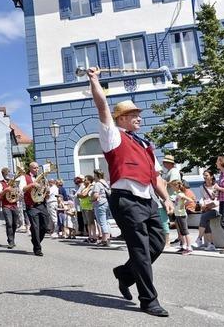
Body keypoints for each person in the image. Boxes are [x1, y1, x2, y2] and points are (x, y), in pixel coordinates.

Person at [87, 66, 173, 318]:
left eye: (138, 114)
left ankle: (124, 274)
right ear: (121, 118)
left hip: (148, 200)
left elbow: (154, 176)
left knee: (157, 244)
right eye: (133, 114)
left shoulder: (145, 144)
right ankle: (148, 300)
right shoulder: (112, 136)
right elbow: (102, 107)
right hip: (125, 200)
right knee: (140, 250)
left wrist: (166, 199)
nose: (139, 117)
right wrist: (95, 80)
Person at [21, 162, 49, 256]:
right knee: (36, 227)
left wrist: (47, 191)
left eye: (37, 168)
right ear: (30, 168)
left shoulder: (43, 177)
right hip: (32, 205)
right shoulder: (24, 177)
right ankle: (37, 248)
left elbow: (45, 189)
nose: (37, 169)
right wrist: (32, 185)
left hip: (42, 204)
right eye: (34, 168)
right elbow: (23, 189)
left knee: (45, 226)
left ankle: (35, 240)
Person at [169, 180, 194, 255]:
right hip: (178, 214)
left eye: (172, 186)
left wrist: (184, 205)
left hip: (182, 215)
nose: (172, 188)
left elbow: (190, 200)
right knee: (181, 232)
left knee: (185, 231)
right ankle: (184, 246)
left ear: (176, 186)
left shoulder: (180, 194)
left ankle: (189, 247)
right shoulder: (177, 194)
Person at [0, 168, 20, 249]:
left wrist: (18, 193)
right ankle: (11, 241)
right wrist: (5, 190)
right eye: (7, 173)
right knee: (9, 223)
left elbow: (18, 192)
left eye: (9, 173)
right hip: (6, 206)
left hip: (14, 205)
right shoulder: (0, 183)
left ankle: (12, 238)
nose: (8, 174)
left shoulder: (14, 182)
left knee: (15, 224)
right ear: (3, 174)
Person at [91, 169, 112, 246]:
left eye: (94, 175)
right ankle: (107, 237)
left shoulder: (97, 184)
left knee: (102, 222)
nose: (94, 176)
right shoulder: (105, 183)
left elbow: (96, 195)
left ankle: (105, 239)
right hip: (106, 203)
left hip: (99, 204)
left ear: (97, 175)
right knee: (106, 221)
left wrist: (91, 199)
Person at [77, 176, 97, 243]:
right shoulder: (84, 187)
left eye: (85, 180)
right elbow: (79, 195)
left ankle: (94, 236)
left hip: (89, 207)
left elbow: (84, 194)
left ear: (89, 181)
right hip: (84, 206)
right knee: (87, 223)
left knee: (91, 222)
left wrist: (87, 189)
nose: (84, 181)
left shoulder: (91, 187)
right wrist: (81, 195)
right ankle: (90, 236)